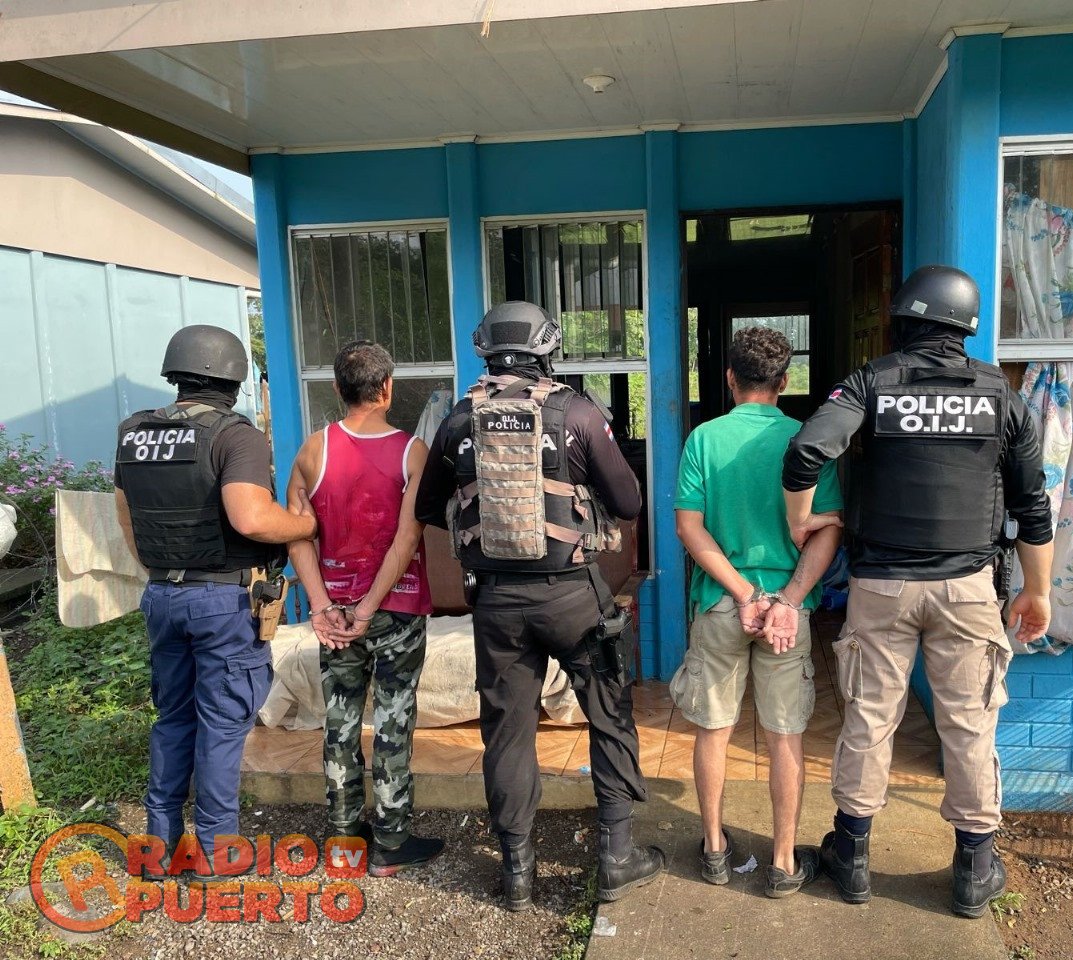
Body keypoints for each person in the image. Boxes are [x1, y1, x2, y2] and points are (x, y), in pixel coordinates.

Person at [781, 265, 1054, 918]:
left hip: (882, 587)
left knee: (870, 719)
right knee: (969, 724)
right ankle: (974, 868)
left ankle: (851, 857)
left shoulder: (871, 383)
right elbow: (1033, 506)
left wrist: (800, 521)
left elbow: (805, 453)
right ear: (966, 328)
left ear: (903, 320)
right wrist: (1039, 592)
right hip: (967, 590)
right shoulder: (1000, 394)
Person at [416, 301, 665, 911]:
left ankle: (517, 872)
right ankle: (615, 856)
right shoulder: (576, 413)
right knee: (608, 714)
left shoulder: (458, 420)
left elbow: (426, 508)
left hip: (496, 603)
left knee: (507, 731)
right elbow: (629, 502)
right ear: (546, 350)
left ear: (487, 350)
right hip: (572, 595)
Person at [114, 324, 315, 868]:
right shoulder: (235, 436)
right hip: (222, 602)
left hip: (162, 593)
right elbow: (250, 517)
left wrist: (163, 571)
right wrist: (303, 524)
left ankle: (158, 850)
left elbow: (127, 517)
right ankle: (216, 853)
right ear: (232, 378)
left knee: (173, 718)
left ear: (176, 374)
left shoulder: (133, 433)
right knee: (222, 727)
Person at [670, 326, 843, 898]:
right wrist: (785, 600)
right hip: (787, 615)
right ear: (784, 382)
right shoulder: (809, 441)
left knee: (713, 730)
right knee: (785, 736)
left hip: (721, 604)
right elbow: (827, 530)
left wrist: (744, 594)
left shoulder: (704, 439)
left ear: (730, 379)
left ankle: (714, 849)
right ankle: (784, 862)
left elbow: (689, 529)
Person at [285, 340, 444, 877]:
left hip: (335, 614)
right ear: (387, 388)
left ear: (337, 388)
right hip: (395, 609)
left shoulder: (313, 450)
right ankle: (392, 842)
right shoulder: (412, 452)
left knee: (340, 720)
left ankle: (345, 840)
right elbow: (407, 538)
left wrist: (322, 605)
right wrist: (370, 607)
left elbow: (297, 535)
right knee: (394, 720)